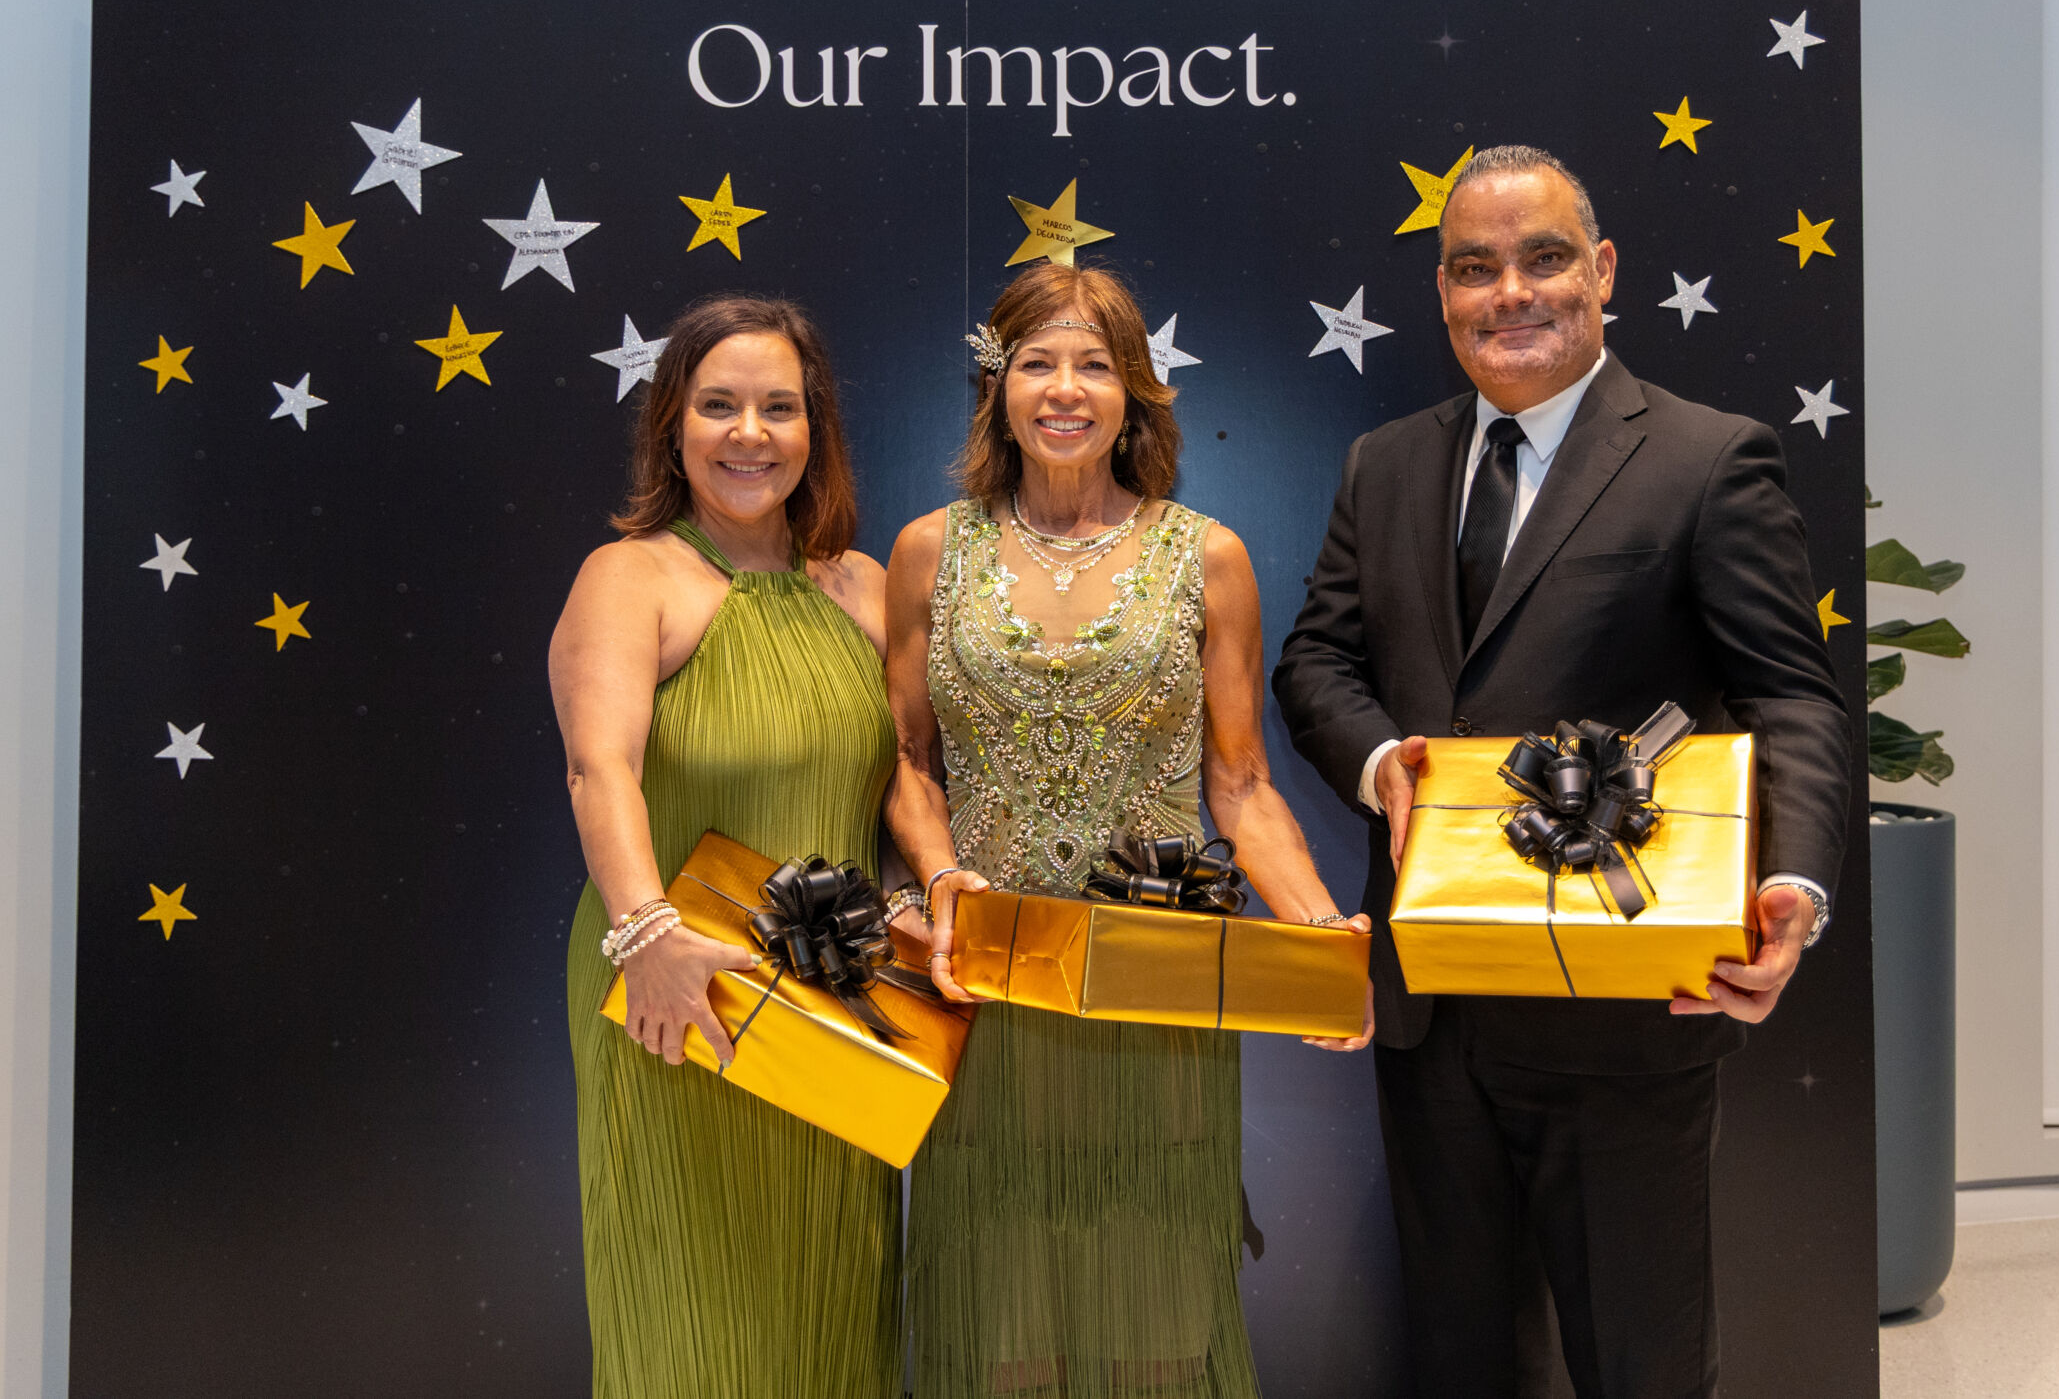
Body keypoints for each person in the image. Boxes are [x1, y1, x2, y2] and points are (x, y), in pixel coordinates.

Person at [1272, 146, 1853, 1399]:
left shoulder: (1709, 458)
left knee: (1640, 1365)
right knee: (1458, 1360)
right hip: (1432, 1013)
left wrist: (1794, 892)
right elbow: (1316, 661)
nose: (1510, 293)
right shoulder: (1385, 463)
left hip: (1624, 1013)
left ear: (1602, 272)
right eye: (1473, 268)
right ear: (1441, 292)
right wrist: (1378, 764)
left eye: (1542, 259)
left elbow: (1792, 694)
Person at [886, 261, 1370, 1399]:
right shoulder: (927, 551)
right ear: (997, 386)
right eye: (1037, 363)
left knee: (1156, 1316)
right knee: (998, 1325)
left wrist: (1319, 935)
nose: (1065, 390)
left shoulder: (1208, 556)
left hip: (1158, 989)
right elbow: (907, 762)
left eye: (1094, 366)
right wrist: (941, 878)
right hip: (989, 990)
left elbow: (1241, 786)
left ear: (1135, 391)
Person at [549, 295, 902, 1399]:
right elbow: (597, 768)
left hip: (834, 1016)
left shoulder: (863, 585)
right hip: (675, 998)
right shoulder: (630, 576)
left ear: (815, 428)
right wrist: (648, 936)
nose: (750, 433)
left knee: (831, 1311)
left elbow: (905, 785)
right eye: (718, 406)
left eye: (779, 407)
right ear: (672, 426)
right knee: (692, 1328)